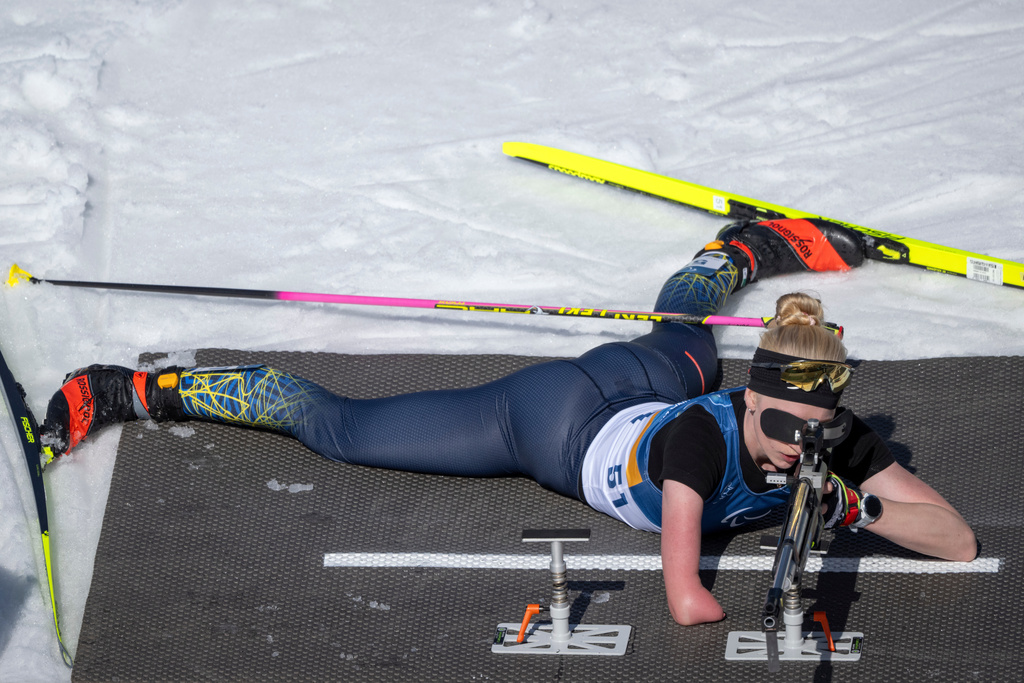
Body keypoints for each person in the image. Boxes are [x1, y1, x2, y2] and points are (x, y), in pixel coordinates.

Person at [42, 218, 978, 626]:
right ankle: (133, 389)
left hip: (650, 374)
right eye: (781, 424)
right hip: (558, 423)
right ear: (755, 396)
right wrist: (800, 510)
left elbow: (958, 540)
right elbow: (686, 595)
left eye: (815, 426)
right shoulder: (705, 440)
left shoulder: (831, 435)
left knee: (685, 330)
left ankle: (734, 247)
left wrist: (854, 507)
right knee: (347, 430)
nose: (798, 443)